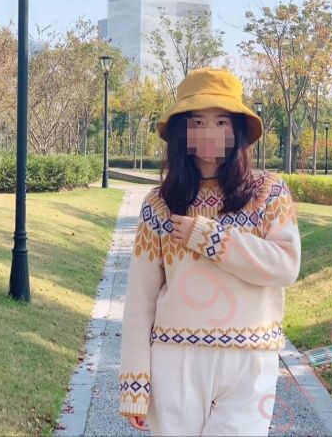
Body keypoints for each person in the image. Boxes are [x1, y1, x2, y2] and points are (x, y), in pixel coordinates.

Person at [117, 67, 301, 436]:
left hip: (250, 361)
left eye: (221, 122)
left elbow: (285, 266)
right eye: (197, 122)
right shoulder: (159, 204)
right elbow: (140, 300)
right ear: (182, 133)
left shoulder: (268, 192)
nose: (209, 132)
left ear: (237, 130)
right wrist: (134, 383)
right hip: (176, 358)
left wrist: (213, 239)